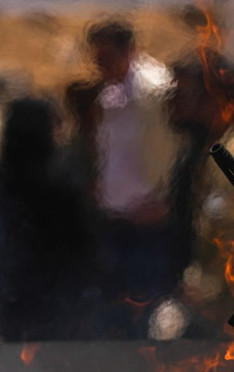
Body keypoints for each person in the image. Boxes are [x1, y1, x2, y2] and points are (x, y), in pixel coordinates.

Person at [66, 19, 180, 337]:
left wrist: (163, 198)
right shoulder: (109, 95)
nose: (100, 66)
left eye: (106, 58)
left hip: (147, 216)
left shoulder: (155, 90)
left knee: (148, 303)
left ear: (127, 51)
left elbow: (169, 150)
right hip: (115, 216)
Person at [0, 98, 93, 340]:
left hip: (18, 301)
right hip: (53, 305)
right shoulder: (63, 185)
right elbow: (81, 248)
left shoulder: (59, 184)